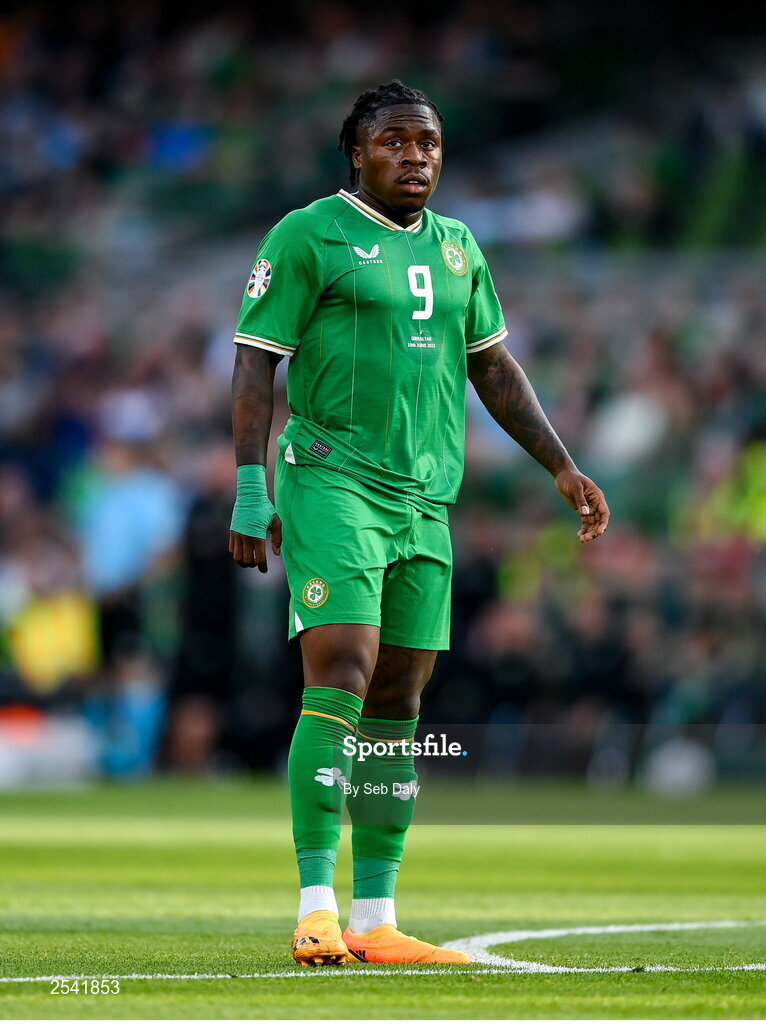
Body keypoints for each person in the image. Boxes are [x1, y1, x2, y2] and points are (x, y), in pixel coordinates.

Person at [228, 80, 609, 967]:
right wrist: (252, 484)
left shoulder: (459, 248)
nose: (417, 158)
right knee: (345, 668)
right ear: (356, 153)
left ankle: (375, 918)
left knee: (400, 697)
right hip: (332, 481)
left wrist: (561, 464)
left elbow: (494, 368)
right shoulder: (308, 233)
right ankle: (315, 906)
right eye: (396, 142)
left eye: (429, 144)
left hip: (424, 499)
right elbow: (254, 363)